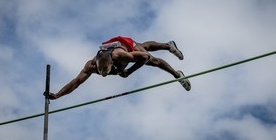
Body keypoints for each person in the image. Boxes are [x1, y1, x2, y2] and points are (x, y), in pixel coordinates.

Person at [47, 36, 191, 100]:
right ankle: (168, 44)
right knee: (143, 47)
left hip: (124, 45)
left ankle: (177, 75)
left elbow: (144, 57)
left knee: (150, 59)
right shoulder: (90, 66)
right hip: (109, 45)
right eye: (101, 72)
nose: (103, 75)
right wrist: (57, 95)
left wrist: (129, 71)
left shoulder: (121, 56)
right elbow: (76, 82)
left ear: (111, 63)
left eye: (106, 71)